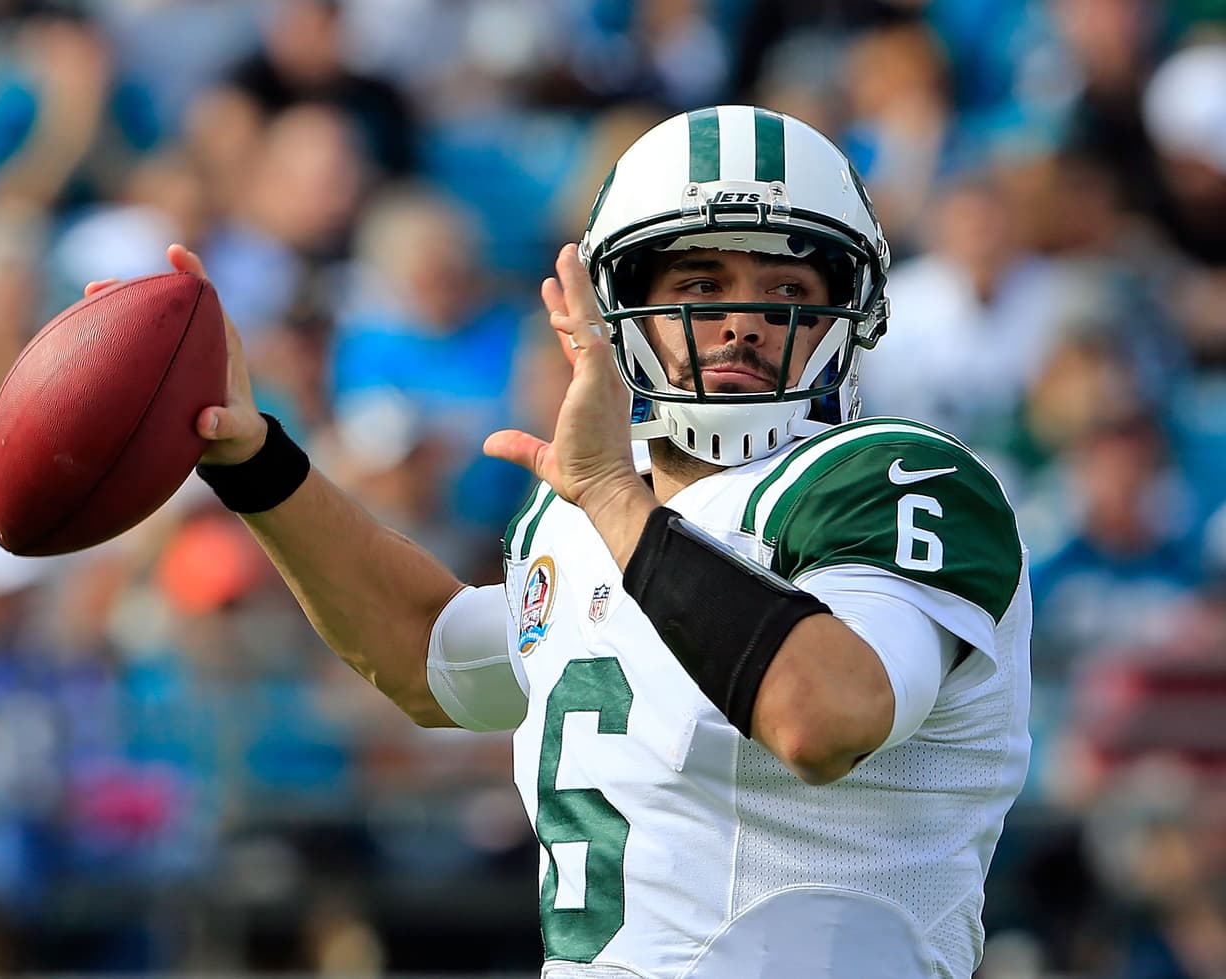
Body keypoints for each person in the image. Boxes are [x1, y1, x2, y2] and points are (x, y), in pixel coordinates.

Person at [88, 105, 1032, 978]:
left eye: (786, 285)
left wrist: (617, 496)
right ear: (620, 303)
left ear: (844, 313)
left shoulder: (892, 476)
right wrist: (253, 460)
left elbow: (824, 715)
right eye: (700, 283)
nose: (743, 318)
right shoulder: (572, 519)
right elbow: (425, 654)